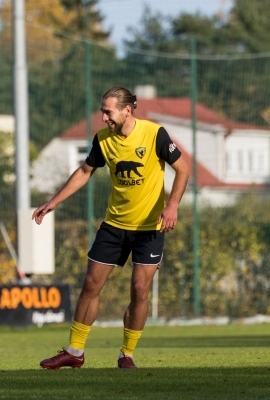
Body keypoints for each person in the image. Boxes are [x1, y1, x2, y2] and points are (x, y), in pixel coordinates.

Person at [32, 87, 190, 369]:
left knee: (140, 289)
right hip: (114, 225)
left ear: (127, 110)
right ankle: (74, 352)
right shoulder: (103, 139)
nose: (103, 117)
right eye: (102, 111)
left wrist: (173, 204)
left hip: (150, 228)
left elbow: (184, 169)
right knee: (91, 284)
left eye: (108, 111)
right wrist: (53, 201)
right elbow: (84, 172)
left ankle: (126, 354)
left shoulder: (155, 134)